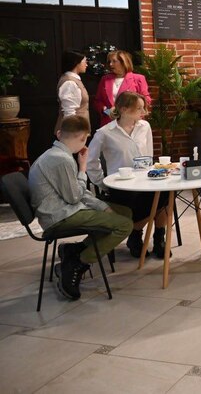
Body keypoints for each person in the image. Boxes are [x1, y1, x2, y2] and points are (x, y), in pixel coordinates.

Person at [28, 115, 133, 301]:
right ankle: (78, 263)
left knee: (125, 213)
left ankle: (75, 250)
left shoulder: (55, 154)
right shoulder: (61, 160)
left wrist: (102, 206)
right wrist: (82, 169)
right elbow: (75, 196)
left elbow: (76, 193)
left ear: (59, 134)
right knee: (125, 225)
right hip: (59, 217)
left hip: (63, 209)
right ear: (83, 138)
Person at [87, 91, 171, 258]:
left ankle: (158, 238)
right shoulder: (105, 132)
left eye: (143, 108)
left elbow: (149, 156)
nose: (144, 112)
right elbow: (90, 161)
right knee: (156, 199)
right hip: (121, 186)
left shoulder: (144, 127)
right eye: (139, 108)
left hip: (144, 181)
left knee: (166, 193)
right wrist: (102, 183)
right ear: (124, 109)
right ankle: (135, 236)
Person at [93, 50, 152, 127]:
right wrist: (107, 111)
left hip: (132, 122)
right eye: (109, 61)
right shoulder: (105, 79)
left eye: (114, 61)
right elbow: (98, 101)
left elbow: (146, 99)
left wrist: (131, 108)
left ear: (124, 62)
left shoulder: (138, 78)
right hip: (109, 123)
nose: (111, 64)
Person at [55, 50, 90, 135]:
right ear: (76, 63)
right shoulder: (69, 82)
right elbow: (69, 112)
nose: (86, 65)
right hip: (73, 131)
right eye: (84, 62)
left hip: (79, 129)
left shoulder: (74, 80)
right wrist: (73, 133)